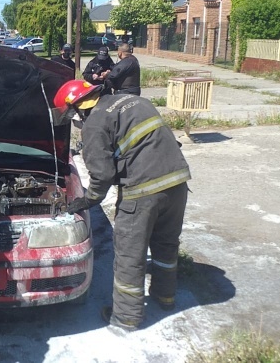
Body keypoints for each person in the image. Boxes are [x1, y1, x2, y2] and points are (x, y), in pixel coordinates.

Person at [54, 80, 190, 332]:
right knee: (166, 245)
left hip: (142, 192)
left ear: (77, 108)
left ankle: (126, 318)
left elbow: (102, 174)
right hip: (177, 182)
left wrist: (88, 199)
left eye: (72, 115)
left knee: (130, 256)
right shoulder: (137, 101)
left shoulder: (93, 124)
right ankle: (166, 296)